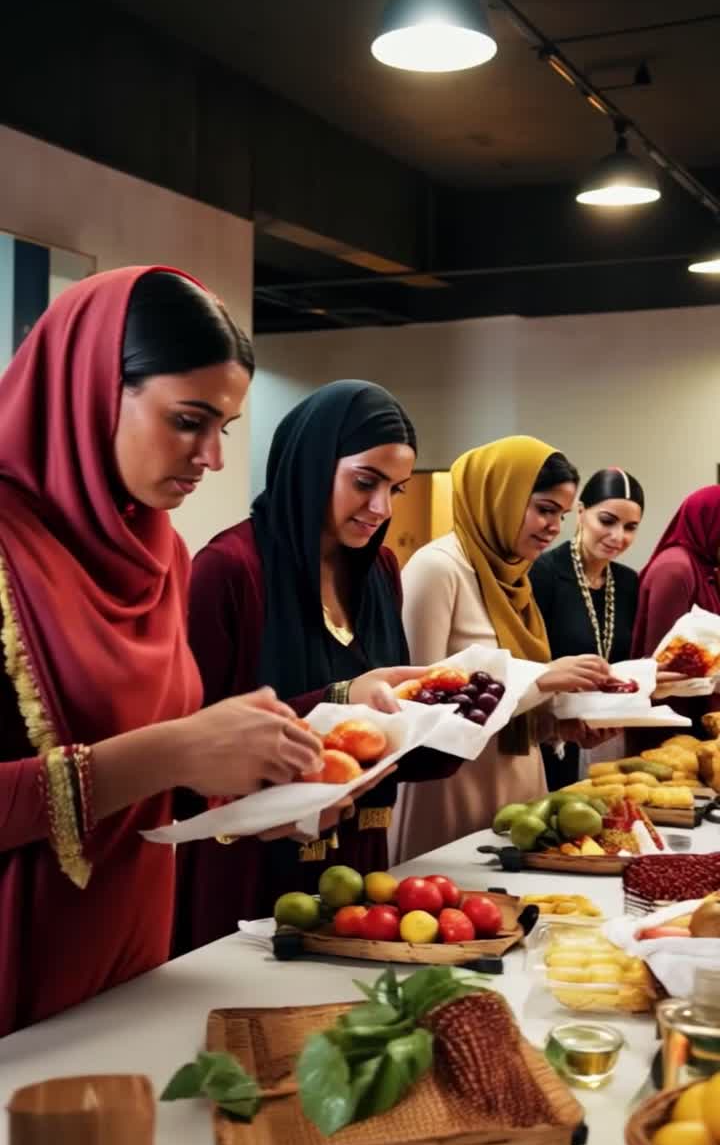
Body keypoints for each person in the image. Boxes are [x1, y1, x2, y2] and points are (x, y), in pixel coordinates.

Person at [0, 266, 325, 1036]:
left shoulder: (158, 554)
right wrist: (179, 750)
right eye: (188, 420)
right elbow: (158, 753)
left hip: (130, 961)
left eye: (225, 429)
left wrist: (256, 784)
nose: (212, 458)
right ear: (90, 387)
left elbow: (155, 779)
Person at [174, 380, 458, 951]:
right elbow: (193, 741)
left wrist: (456, 718)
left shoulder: (378, 570)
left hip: (355, 854)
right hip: (250, 859)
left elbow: (387, 738)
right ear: (310, 466)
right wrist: (344, 697)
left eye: (396, 490)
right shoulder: (230, 570)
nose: (381, 508)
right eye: (364, 483)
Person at [390, 436, 612, 863]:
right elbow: (420, 704)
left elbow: (507, 704)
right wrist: (542, 679)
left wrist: (556, 726)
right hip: (451, 785)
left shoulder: (512, 576)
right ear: (500, 496)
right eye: (545, 509)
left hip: (517, 781)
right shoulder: (437, 568)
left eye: (562, 515)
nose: (554, 527)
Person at [530, 467, 644, 788]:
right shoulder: (543, 574)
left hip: (607, 733)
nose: (618, 536)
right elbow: (527, 662)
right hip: (548, 734)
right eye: (607, 521)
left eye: (630, 527)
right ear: (580, 513)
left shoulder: (628, 582)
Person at [632, 485, 720, 736]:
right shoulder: (676, 570)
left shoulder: (705, 566)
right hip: (671, 725)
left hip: (694, 719)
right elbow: (663, 670)